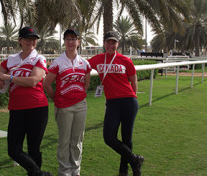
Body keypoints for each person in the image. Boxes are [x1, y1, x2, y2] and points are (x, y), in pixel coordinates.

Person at [0, 27, 52, 176]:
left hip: (37, 108)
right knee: (13, 150)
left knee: (34, 148)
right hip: (17, 109)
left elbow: (33, 80)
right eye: (27, 38)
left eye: (33, 39)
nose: (30, 42)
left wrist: (7, 78)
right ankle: (40, 174)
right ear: (20, 40)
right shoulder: (11, 60)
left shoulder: (39, 58)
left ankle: (35, 174)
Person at [87, 31, 144, 176]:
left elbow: (133, 81)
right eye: (108, 42)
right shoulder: (98, 59)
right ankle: (135, 160)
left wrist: (133, 98)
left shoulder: (125, 60)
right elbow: (83, 66)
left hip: (129, 101)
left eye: (113, 43)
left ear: (117, 44)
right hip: (112, 103)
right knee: (109, 137)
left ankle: (123, 171)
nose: (110, 45)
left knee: (127, 138)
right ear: (104, 43)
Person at [43, 28, 91, 176]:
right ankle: (64, 171)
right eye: (67, 39)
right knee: (64, 141)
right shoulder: (58, 62)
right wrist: (57, 98)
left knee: (77, 140)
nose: (70, 42)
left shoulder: (84, 63)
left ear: (78, 42)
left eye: (73, 39)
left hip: (80, 106)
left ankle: (75, 170)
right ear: (64, 42)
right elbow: (46, 84)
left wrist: (77, 95)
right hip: (64, 107)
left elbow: (86, 84)